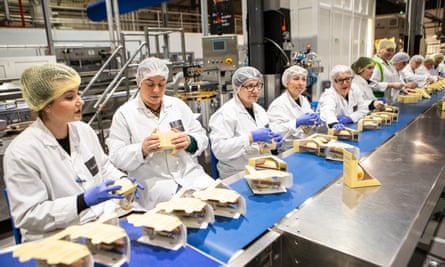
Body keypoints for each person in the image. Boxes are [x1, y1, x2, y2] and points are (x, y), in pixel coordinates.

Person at [3, 63, 143, 242]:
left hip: (101, 229)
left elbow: (104, 167)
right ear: (46, 105)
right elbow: (28, 215)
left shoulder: (83, 131)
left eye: (78, 94)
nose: (80, 101)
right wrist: (81, 202)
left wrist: (121, 181)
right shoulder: (21, 153)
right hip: (57, 241)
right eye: (70, 97)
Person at [107, 57, 214, 210]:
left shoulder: (177, 105)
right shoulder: (125, 114)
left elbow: (201, 135)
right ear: (138, 82)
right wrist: (142, 149)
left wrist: (190, 141)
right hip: (155, 186)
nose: (156, 90)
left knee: (218, 203)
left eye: (161, 84)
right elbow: (116, 157)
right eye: (150, 84)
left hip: (191, 176)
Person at [209, 66, 283, 178]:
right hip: (237, 173)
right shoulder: (225, 114)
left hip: (263, 168)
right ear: (236, 88)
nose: (256, 90)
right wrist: (249, 138)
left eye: (258, 85)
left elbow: (261, 145)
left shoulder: (259, 110)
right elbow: (220, 150)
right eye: (250, 86)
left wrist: (273, 142)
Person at [267, 65, 320, 148]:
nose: (301, 83)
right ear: (286, 82)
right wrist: (296, 122)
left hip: (306, 146)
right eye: (296, 79)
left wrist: (315, 120)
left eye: (303, 79)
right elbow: (274, 131)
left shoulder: (303, 100)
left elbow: (308, 126)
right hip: (287, 150)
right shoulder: (278, 104)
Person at [318, 65, 371, 130]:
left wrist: (351, 118)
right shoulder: (329, 95)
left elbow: (363, 109)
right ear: (334, 82)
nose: (345, 83)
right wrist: (334, 123)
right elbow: (328, 111)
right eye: (340, 80)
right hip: (329, 132)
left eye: (348, 79)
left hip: (349, 128)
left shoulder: (354, 89)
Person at [370, 40, 406, 104]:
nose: (391, 53)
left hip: (390, 100)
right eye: (388, 50)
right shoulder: (375, 63)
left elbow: (395, 79)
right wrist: (390, 85)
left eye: (392, 51)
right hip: (379, 100)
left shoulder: (389, 63)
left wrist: (402, 88)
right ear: (380, 50)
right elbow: (372, 84)